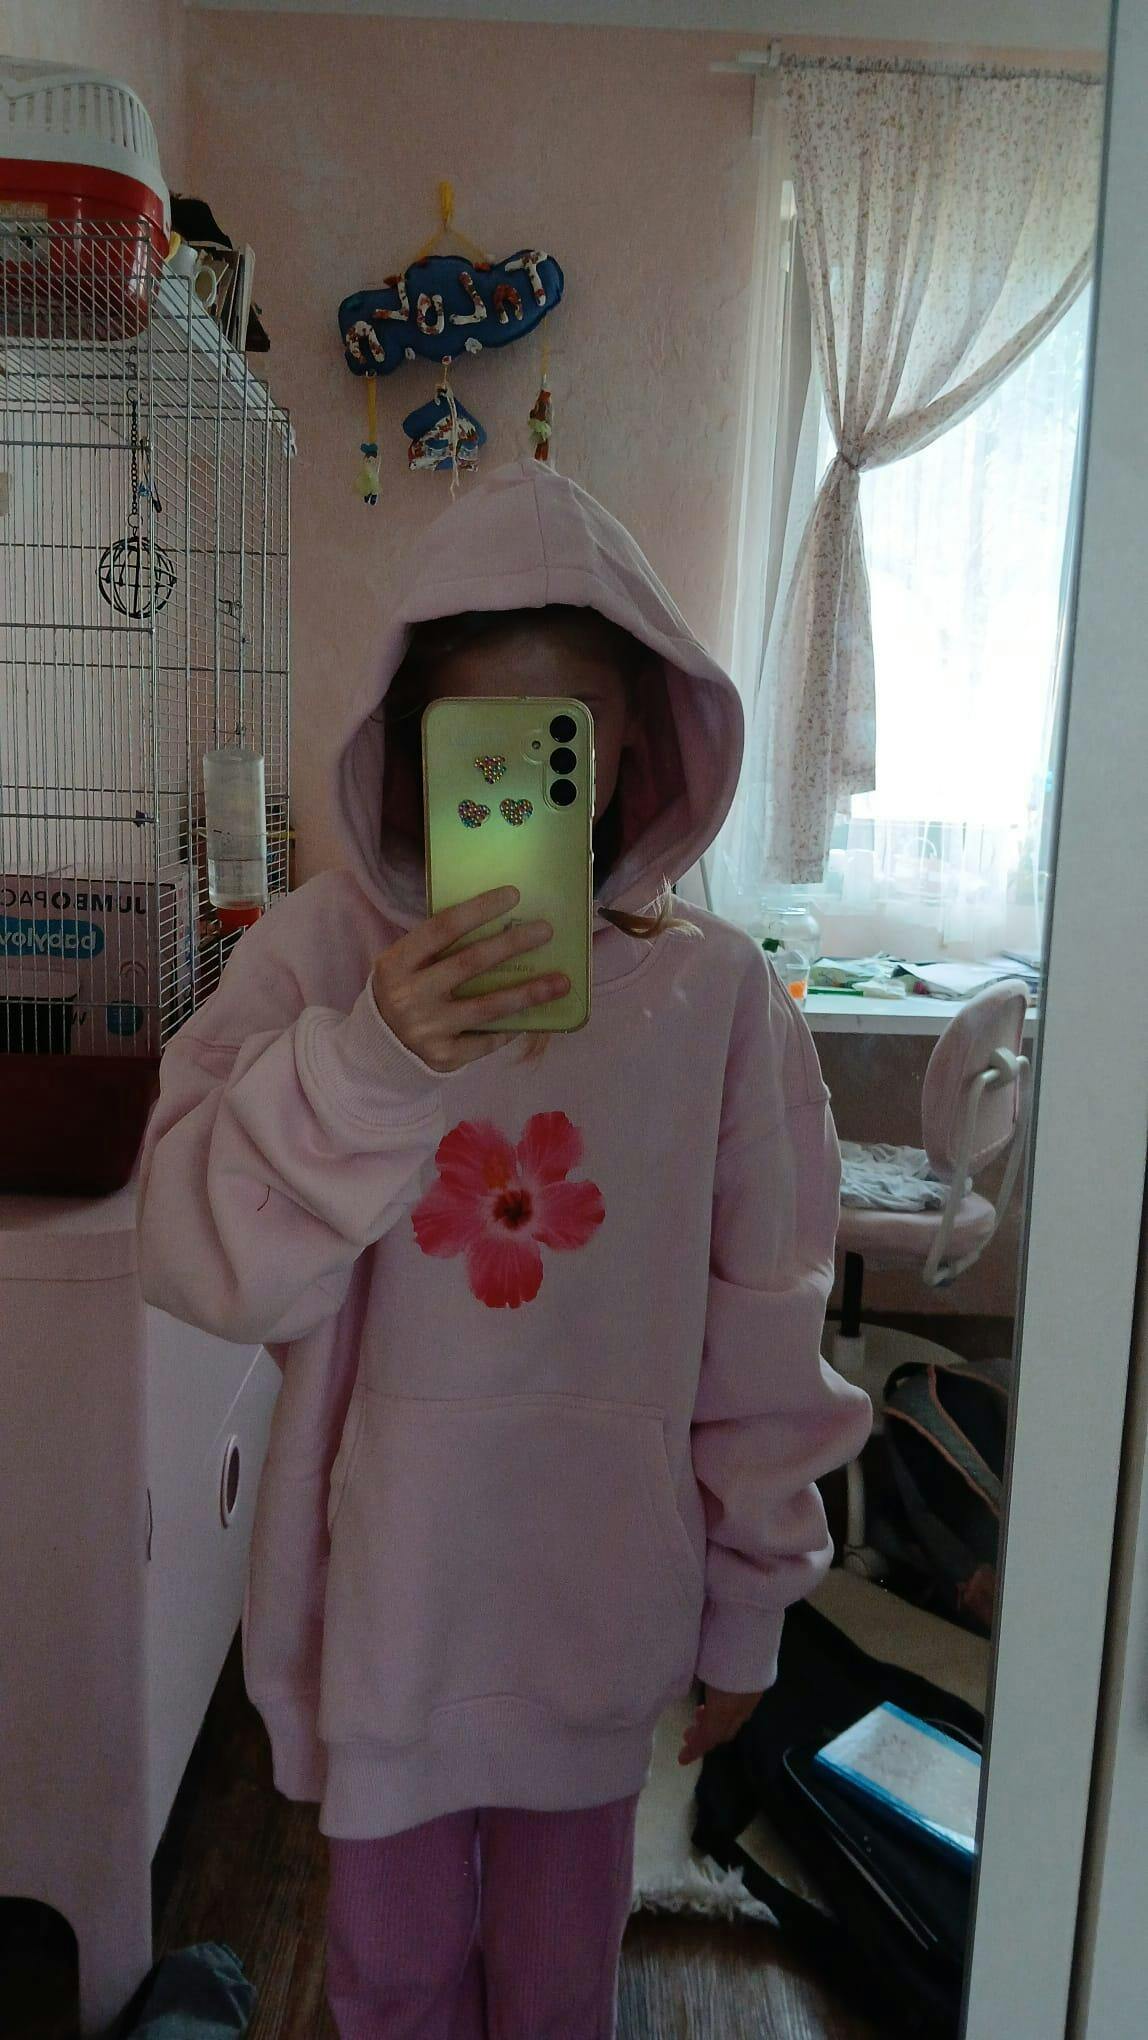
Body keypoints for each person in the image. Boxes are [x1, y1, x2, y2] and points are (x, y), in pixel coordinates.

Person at [136, 458, 872, 2039]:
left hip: (597, 1607)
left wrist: (751, 1596)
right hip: (387, 1607)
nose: (527, 782)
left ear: (632, 748)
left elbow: (770, 1314)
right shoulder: (321, 960)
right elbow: (197, 1253)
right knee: (389, 1983)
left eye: (567, 738)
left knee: (558, 1992)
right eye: (477, 741)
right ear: (407, 750)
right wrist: (372, 1061)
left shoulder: (717, 1000)